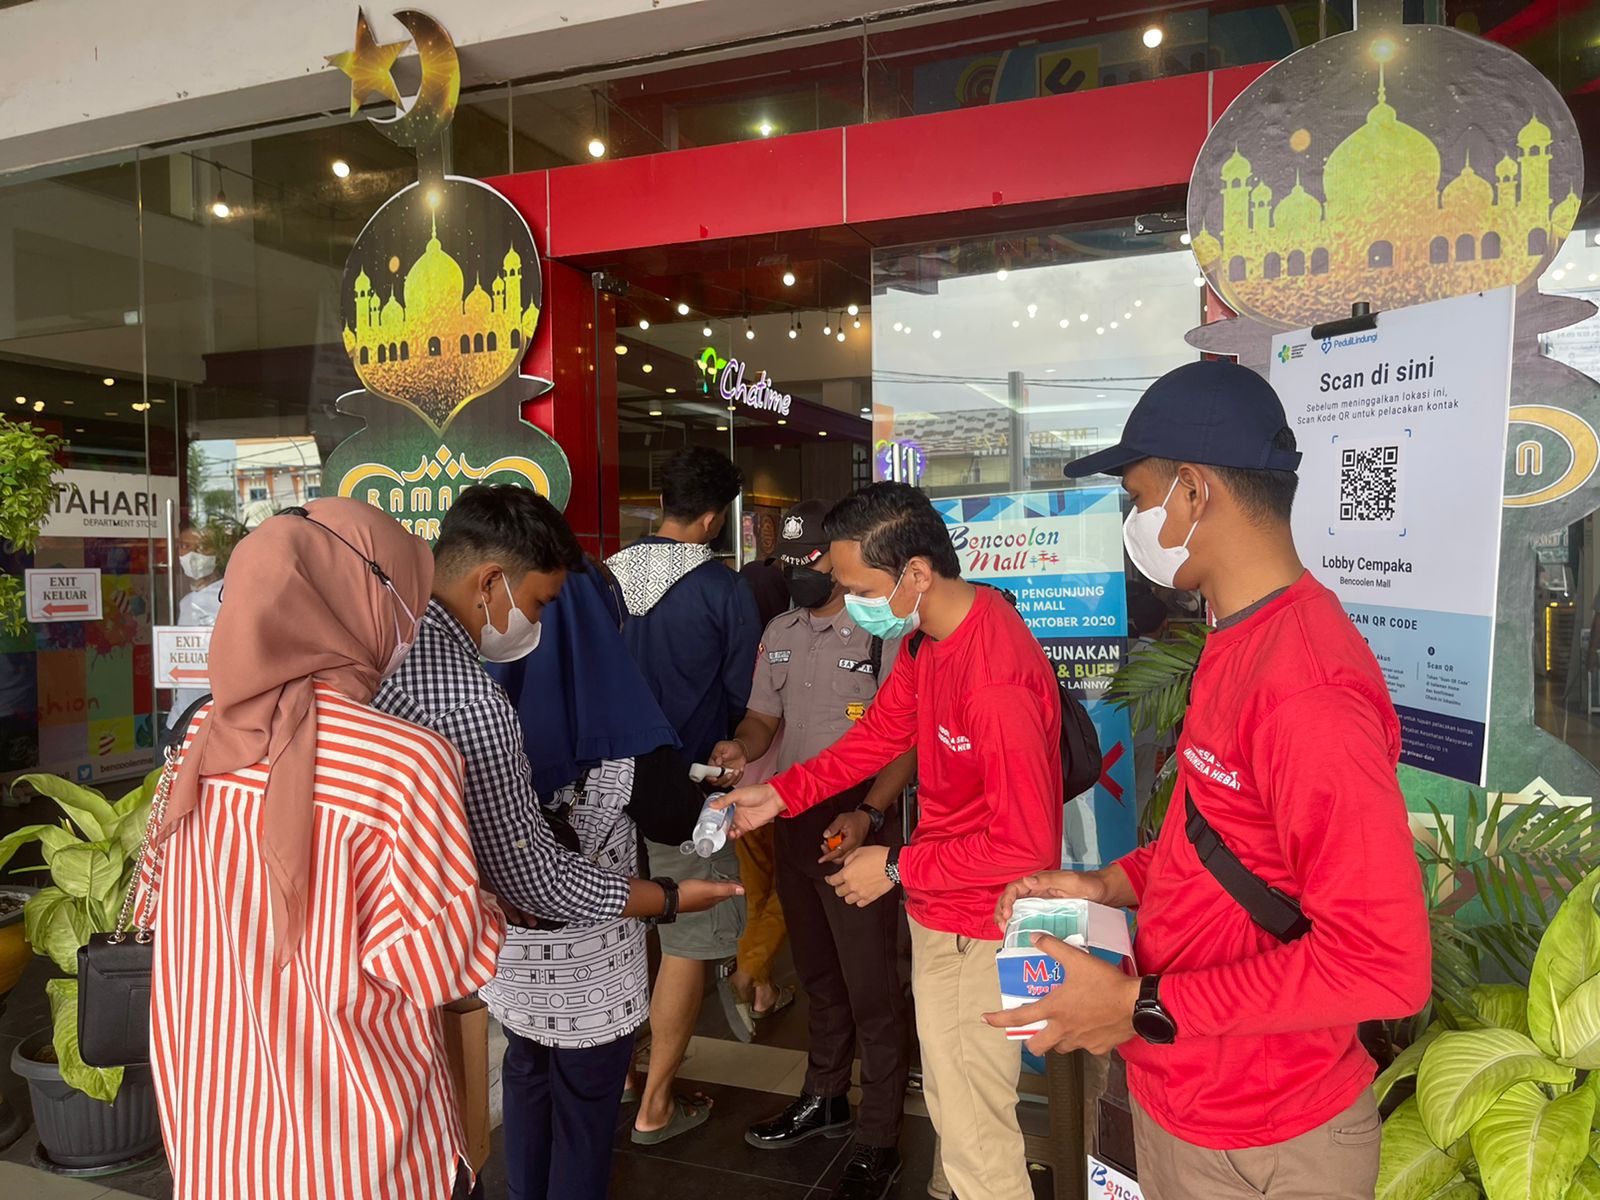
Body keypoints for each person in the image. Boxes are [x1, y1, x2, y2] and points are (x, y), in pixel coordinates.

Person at [991, 360, 1431, 1200]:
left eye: (1138, 496)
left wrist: (1139, 1005)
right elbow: (1217, 839)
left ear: (1193, 491)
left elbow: (1385, 966)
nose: (1135, 520)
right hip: (1185, 1099)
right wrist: (1106, 883)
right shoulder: (1237, 639)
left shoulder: (1308, 688)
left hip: (1268, 1138)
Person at [147, 497, 505, 1200]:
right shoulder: (405, 764)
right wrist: (482, 907)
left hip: (216, 1137)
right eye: (405, 602)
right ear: (366, 602)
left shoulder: (200, 741)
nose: (409, 627)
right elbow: (438, 967)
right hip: (362, 1147)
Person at [719, 482, 1063, 1200]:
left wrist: (897, 865)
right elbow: (877, 736)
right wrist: (779, 793)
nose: (850, 603)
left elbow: (1025, 847)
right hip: (944, 908)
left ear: (916, 573)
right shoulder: (927, 641)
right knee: (955, 1109)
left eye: (859, 589)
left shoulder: (994, 677)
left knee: (978, 1135)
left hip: (979, 923)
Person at [374, 483, 739, 934]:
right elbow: (533, 880)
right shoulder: (472, 702)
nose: (538, 623)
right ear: (490, 583)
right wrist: (671, 897)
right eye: (539, 603)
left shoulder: (378, 652)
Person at [709, 499, 917, 1200]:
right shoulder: (780, 630)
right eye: (788, 562)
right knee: (820, 977)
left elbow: (905, 738)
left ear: (838, 557)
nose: (800, 572)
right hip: (793, 816)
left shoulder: (884, 631)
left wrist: (870, 811)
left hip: (858, 823)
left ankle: (879, 1133)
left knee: (871, 988)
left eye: (812, 560)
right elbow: (763, 717)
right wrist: (741, 748)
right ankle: (825, 1097)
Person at [484, 561, 709, 1200]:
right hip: (595, 967)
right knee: (586, 1107)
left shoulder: (480, 710)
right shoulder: (624, 723)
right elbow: (676, 817)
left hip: (511, 952)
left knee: (525, 1070)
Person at [605, 446, 762, 1143]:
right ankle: (656, 1103)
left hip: (602, 791)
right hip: (685, 790)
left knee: (621, 929)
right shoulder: (722, 589)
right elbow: (745, 697)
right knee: (687, 942)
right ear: (711, 518)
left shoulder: (603, 578)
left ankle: (619, 1076)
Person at [165, 522, 224, 734]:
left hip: (214, 721)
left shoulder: (229, 595)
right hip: (180, 719)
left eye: (201, 547)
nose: (191, 554)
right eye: (184, 546)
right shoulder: (186, 602)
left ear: (217, 553)